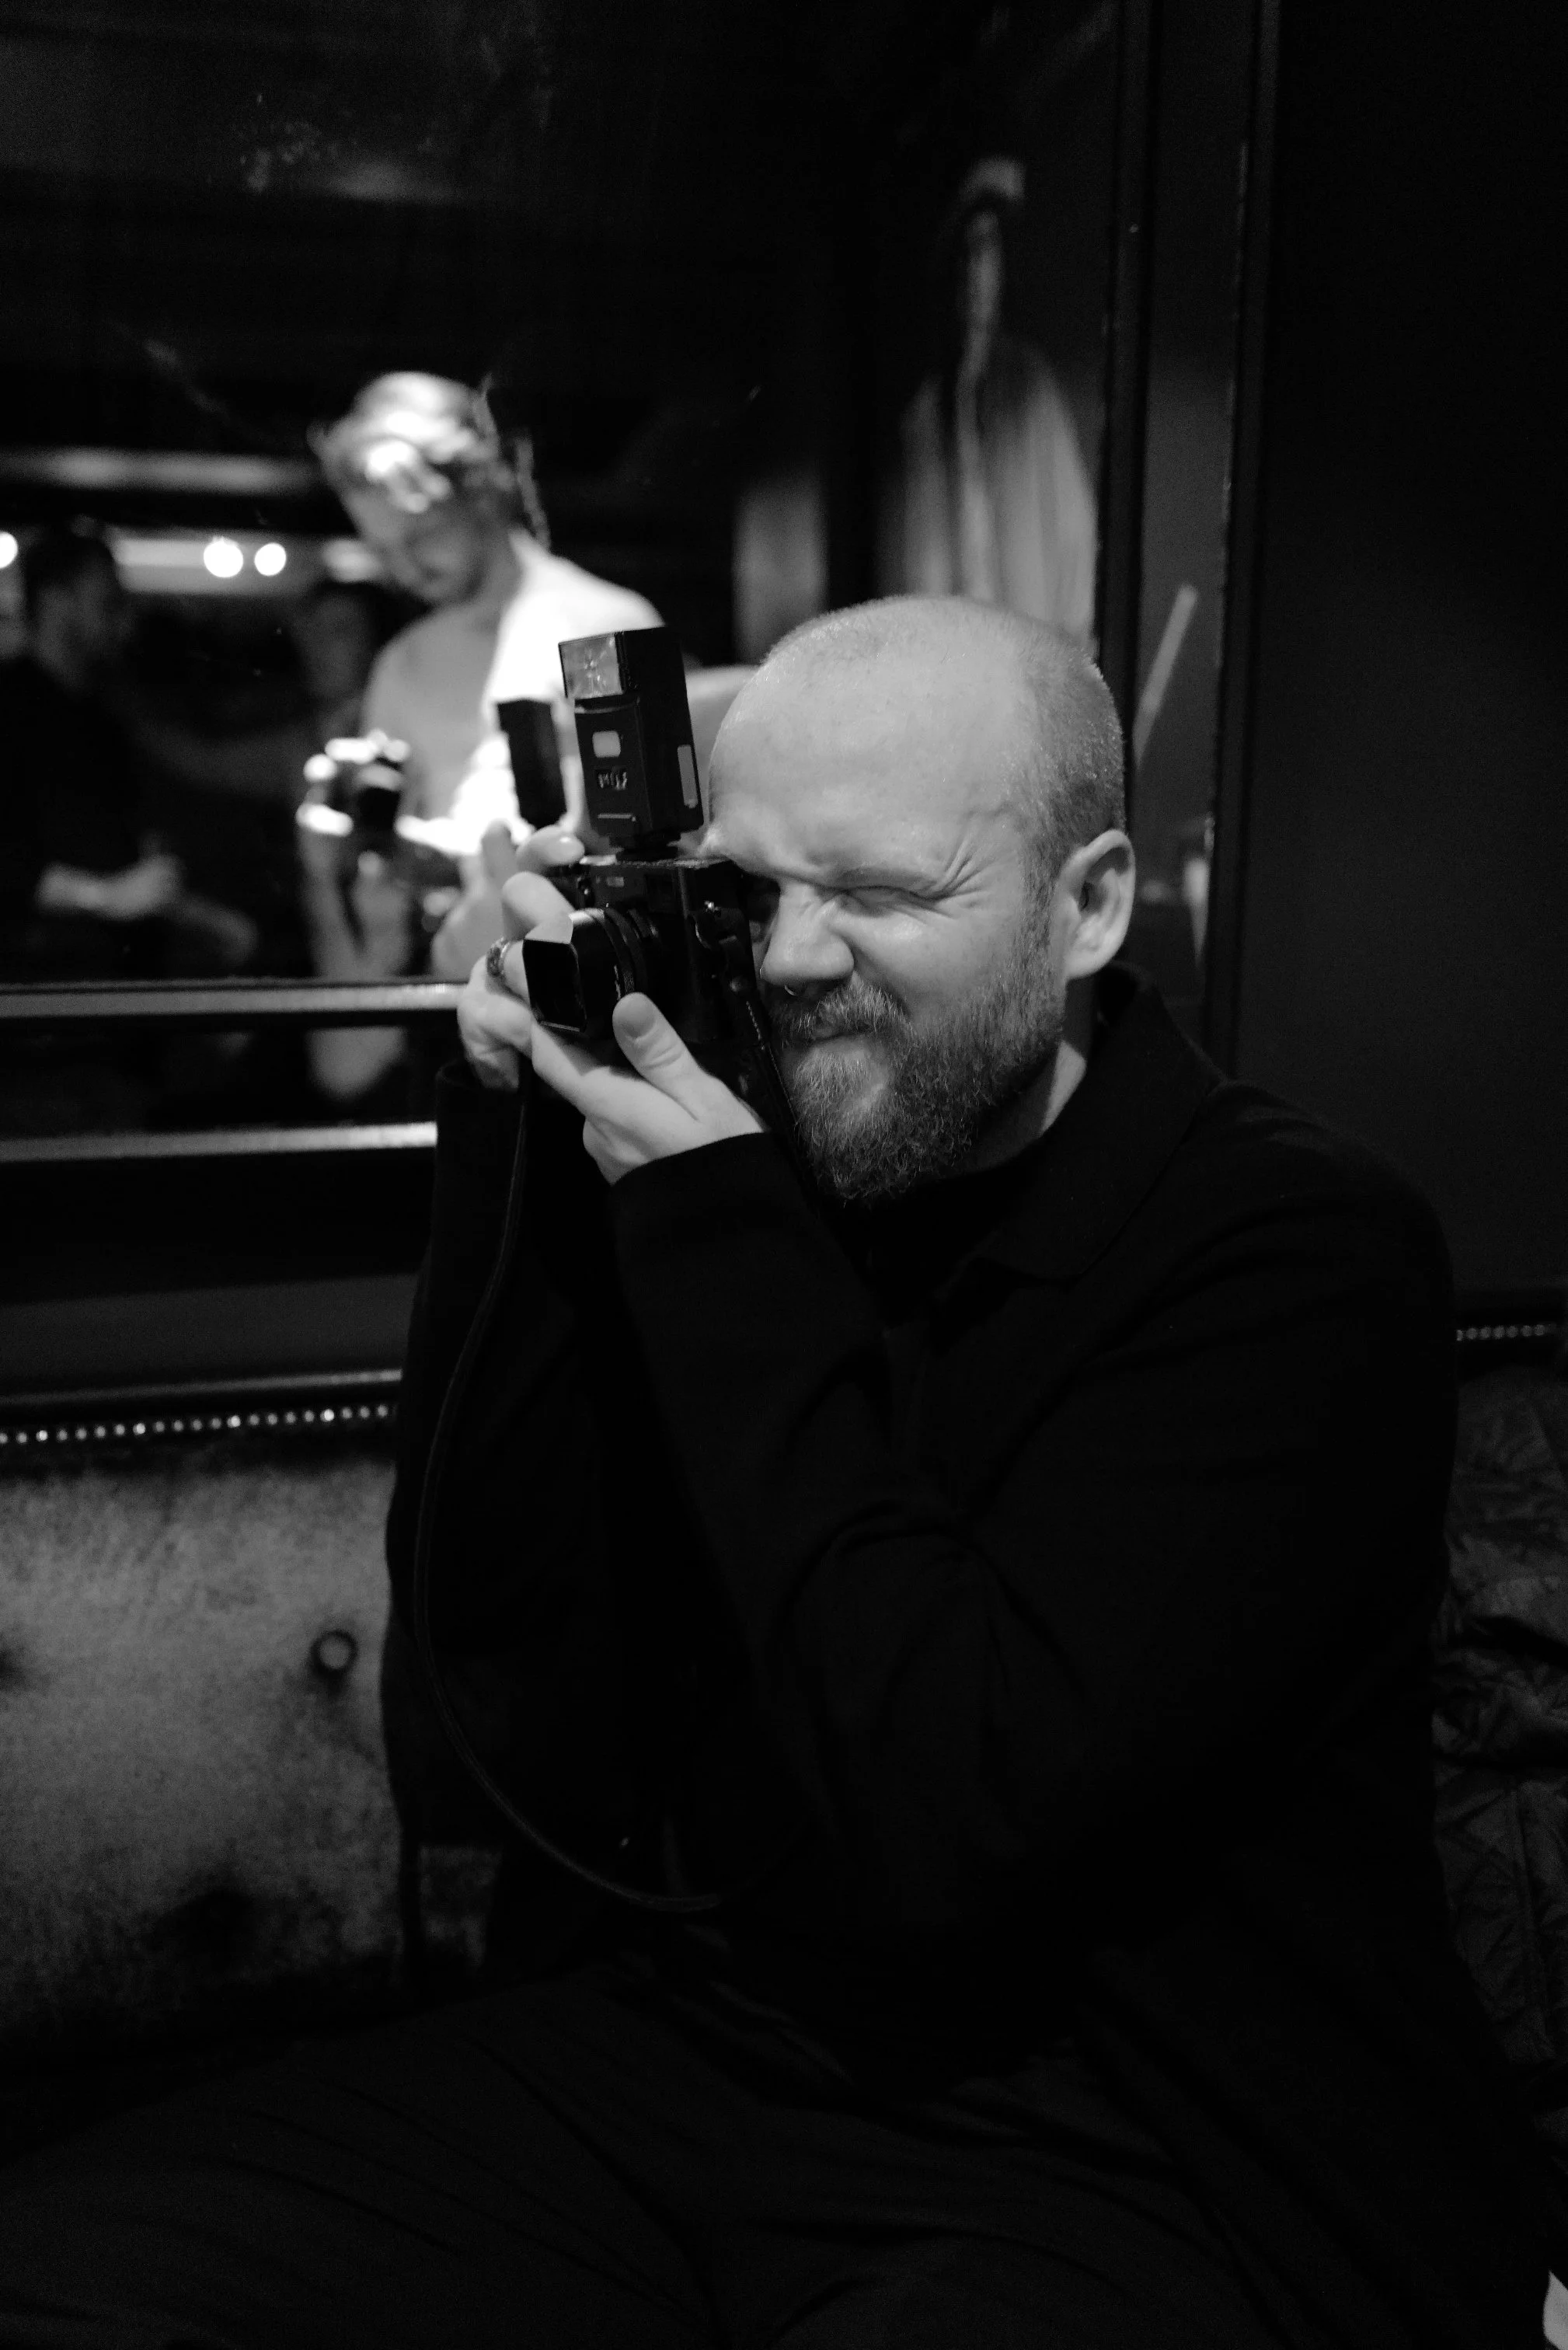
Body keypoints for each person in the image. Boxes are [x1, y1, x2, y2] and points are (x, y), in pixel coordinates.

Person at [0, 596, 1562, 2348]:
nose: (799, 959)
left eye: (883, 895)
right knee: (67, 2266)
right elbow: (495, 1726)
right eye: (749, 893)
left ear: (1091, 905)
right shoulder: (745, 1172)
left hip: (1138, 2132)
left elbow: (951, 1816)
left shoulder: (1289, 1251)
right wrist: (508, 1137)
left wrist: (716, 1237)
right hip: (703, 2046)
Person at [313, 373, 660, 862]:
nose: (406, 568)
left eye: (421, 536)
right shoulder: (407, 659)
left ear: (481, 490)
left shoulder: (598, 625)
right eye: (384, 550)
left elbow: (642, 838)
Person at [881, 158, 1099, 643]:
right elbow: (919, 560)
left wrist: (1073, 654)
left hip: (1028, 651)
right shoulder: (926, 409)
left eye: (986, 252)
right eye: (964, 254)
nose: (974, 273)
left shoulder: (1029, 383)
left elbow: (1073, 537)